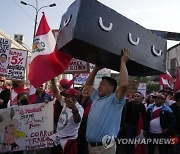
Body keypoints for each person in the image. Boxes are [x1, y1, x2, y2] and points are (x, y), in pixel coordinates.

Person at [85, 48, 130, 154]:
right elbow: (87, 85)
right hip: (91, 147)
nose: (99, 87)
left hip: (105, 148)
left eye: (103, 85)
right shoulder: (96, 97)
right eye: (99, 84)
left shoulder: (115, 100)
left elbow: (124, 85)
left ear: (112, 88)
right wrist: (95, 69)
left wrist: (123, 62)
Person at [50, 88, 84, 154]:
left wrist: (74, 109)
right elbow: (56, 93)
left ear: (74, 97)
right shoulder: (65, 103)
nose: (65, 97)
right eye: (65, 96)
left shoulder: (79, 108)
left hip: (68, 142)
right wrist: (52, 80)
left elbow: (77, 120)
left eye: (68, 95)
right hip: (58, 139)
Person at [77, 86, 93, 154]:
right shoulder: (77, 100)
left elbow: (85, 114)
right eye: (84, 89)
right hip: (76, 129)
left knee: (82, 148)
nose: (85, 91)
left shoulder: (91, 102)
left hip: (84, 129)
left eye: (87, 90)